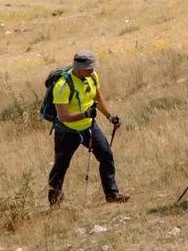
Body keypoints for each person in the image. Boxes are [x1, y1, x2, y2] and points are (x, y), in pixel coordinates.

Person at [45, 51, 128, 206]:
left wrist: (110, 117)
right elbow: (63, 116)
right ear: (78, 68)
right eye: (88, 69)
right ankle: (55, 202)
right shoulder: (62, 86)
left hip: (89, 127)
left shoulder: (92, 77)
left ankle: (112, 194)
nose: (92, 71)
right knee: (61, 165)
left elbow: (98, 97)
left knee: (106, 155)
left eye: (93, 68)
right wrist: (84, 114)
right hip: (66, 131)